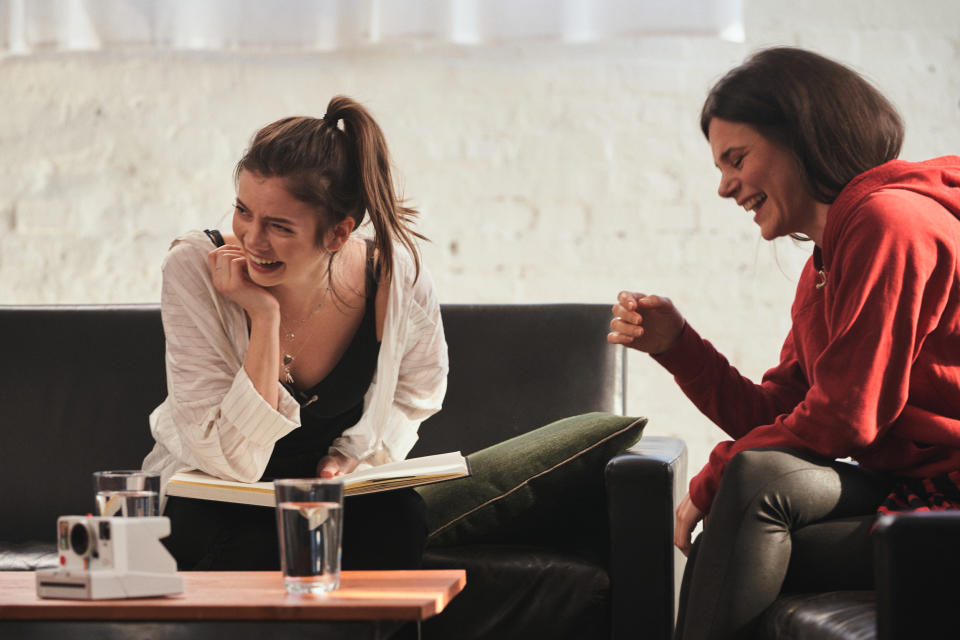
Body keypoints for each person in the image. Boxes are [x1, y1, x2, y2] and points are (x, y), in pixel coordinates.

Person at [608, 47, 960, 639]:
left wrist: (713, 478)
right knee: (752, 490)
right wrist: (679, 347)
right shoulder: (825, 261)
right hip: (914, 492)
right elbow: (778, 415)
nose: (724, 188)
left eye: (736, 159)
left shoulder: (891, 223)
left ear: (802, 136)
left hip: (946, 503)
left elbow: (848, 418)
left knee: (751, 485)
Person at [142, 95, 448, 571]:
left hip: (323, 496)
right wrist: (264, 319)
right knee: (252, 547)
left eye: (279, 226)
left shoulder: (393, 275)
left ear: (338, 234)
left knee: (400, 520)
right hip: (218, 490)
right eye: (243, 211)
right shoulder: (195, 268)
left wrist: (351, 455)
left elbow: (418, 391)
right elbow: (230, 459)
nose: (251, 238)